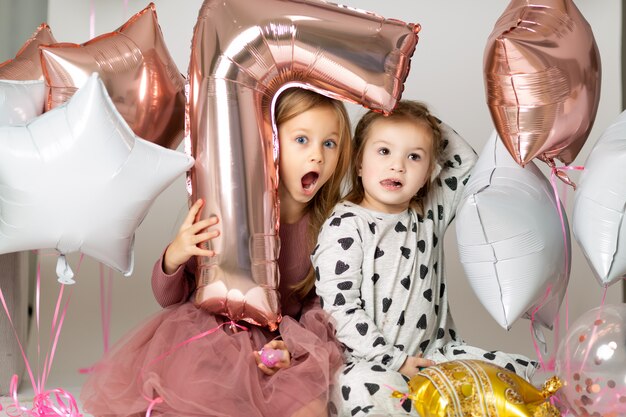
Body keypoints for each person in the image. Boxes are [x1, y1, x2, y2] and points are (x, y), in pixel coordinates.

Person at [80, 87, 353, 417]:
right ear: (272, 143)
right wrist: (175, 257)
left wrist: (292, 345)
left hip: (278, 339)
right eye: (302, 140)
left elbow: (319, 300)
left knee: (308, 405)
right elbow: (169, 297)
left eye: (329, 143)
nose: (317, 156)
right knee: (201, 392)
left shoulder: (330, 224)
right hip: (216, 334)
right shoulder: (234, 209)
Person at [312, 101, 537, 417]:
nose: (398, 166)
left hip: (435, 356)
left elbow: (466, 163)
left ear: (428, 172)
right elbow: (340, 308)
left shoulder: (430, 211)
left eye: (414, 156)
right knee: (361, 386)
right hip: (371, 362)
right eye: (384, 151)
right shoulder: (346, 225)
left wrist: (427, 123)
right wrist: (395, 361)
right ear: (359, 162)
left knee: (516, 376)